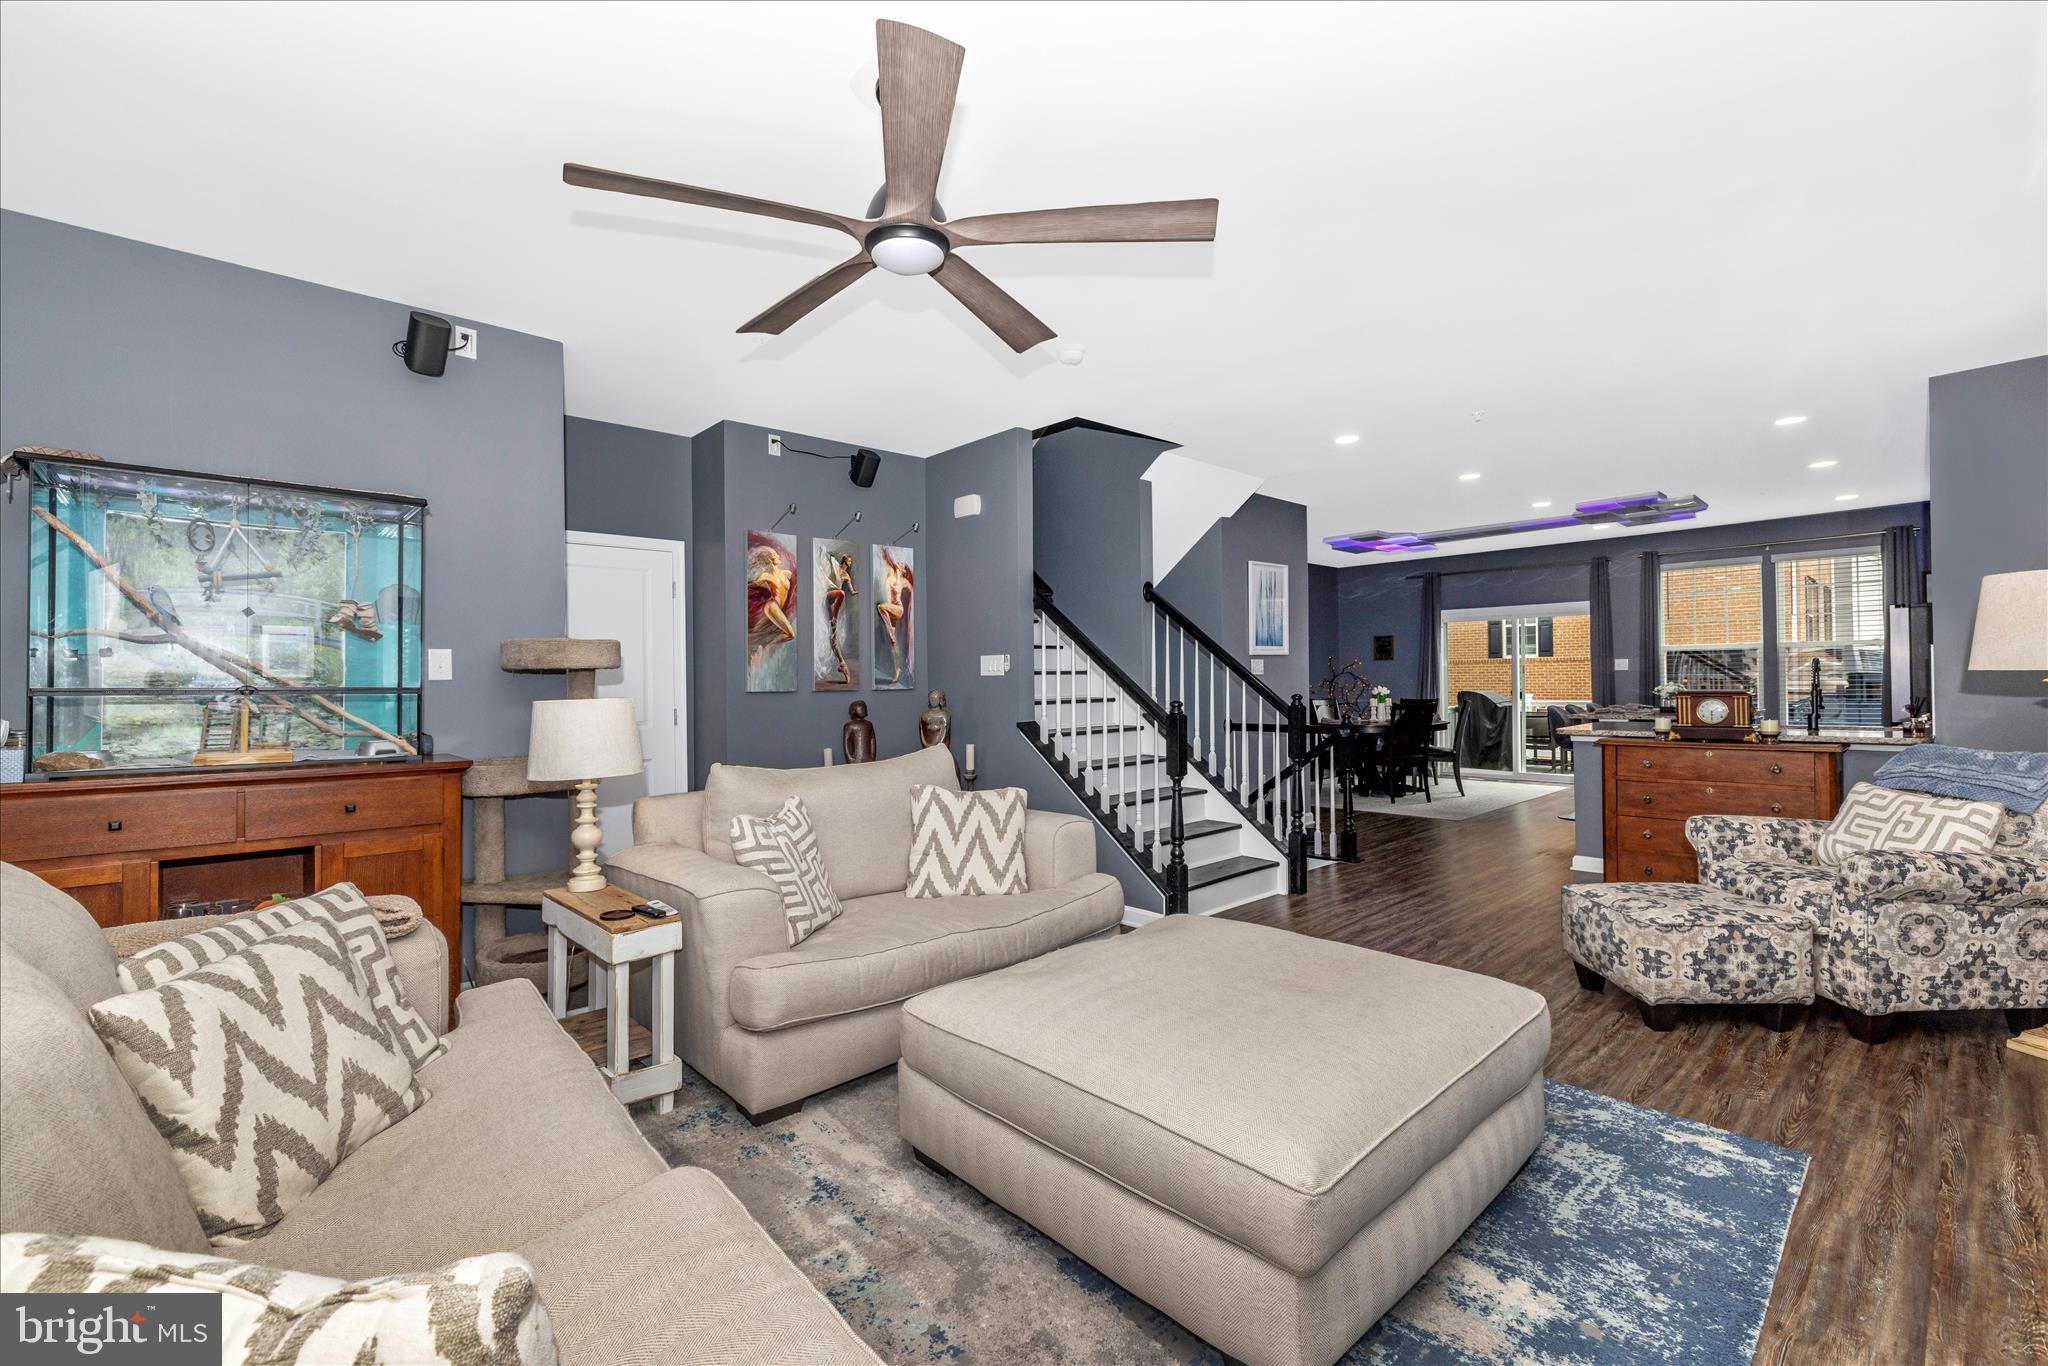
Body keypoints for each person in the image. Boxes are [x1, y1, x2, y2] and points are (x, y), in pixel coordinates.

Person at [876, 547, 913, 684]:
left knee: (881, 607)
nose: (899, 563)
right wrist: (883, 550)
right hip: (891, 612)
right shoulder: (891, 576)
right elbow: (889, 560)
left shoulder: (904, 582)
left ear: (904, 569)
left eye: (902, 563)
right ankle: (897, 671)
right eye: (899, 562)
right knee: (893, 643)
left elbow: (912, 592)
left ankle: (890, 631)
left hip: (898, 609)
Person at [821, 549, 857, 685]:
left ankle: (842, 664)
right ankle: (834, 617)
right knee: (841, 593)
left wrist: (854, 592)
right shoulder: (835, 566)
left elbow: (851, 589)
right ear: (845, 560)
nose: (850, 563)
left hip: (832, 600)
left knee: (833, 634)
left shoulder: (847, 576)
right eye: (849, 560)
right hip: (828, 593)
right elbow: (826, 565)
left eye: (851, 562)